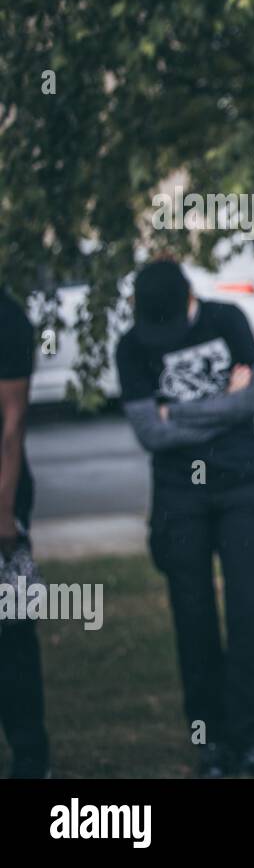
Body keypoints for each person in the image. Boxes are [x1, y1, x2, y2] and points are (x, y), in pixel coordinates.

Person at [115, 259, 254, 778]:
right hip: (178, 499)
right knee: (191, 619)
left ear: (193, 299)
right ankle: (209, 743)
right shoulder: (132, 346)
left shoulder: (228, 320)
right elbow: (150, 433)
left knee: (249, 615)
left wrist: (178, 412)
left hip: (242, 489)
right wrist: (222, 404)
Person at [0, 289, 51, 778]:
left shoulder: (7, 318)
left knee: (10, 629)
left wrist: (4, 509)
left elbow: (11, 424)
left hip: (3, 495)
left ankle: (32, 757)